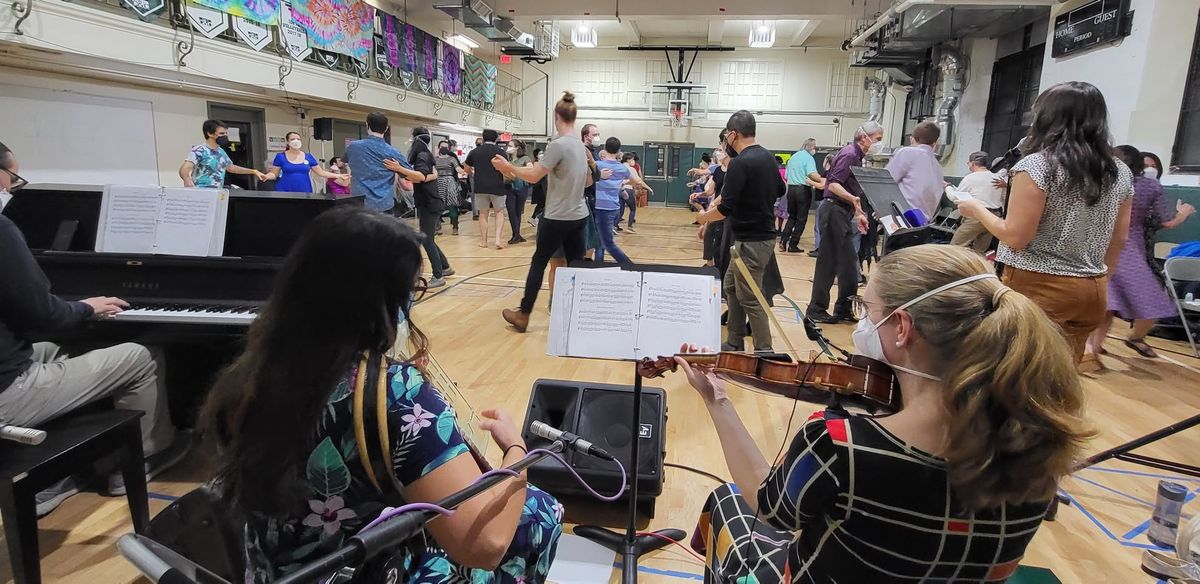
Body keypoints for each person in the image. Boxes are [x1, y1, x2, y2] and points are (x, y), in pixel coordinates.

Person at [678, 244, 1091, 583]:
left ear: (902, 327)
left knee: (726, 504)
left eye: (867, 309)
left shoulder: (838, 442)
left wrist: (718, 402)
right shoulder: (1043, 442)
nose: (863, 321)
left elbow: (770, 509)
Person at [201, 206, 562, 583]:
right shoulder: (392, 392)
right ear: (382, 300)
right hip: (361, 571)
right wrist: (516, 453)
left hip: (277, 571)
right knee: (539, 512)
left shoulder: (249, 373)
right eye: (412, 290)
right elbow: (484, 545)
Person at [0, 141, 190, 516]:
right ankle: (139, 461)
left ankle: (61, 469)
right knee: (140, 356)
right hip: (9, 388)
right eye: (12, 179)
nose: (10, 189)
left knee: (60, 350)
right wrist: (85, 306)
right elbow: (44, 315)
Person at [957, 81, 1133, 363]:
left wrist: (977, 208)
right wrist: (1100, 277)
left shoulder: (1037, 165)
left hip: (1039, 286)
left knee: (1017, 373)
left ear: (1047, 117)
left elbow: (1015, 236)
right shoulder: (1119, 170)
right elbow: (1119, 238)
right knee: (1060, 379)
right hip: (1093, 288)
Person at [494, 92, 591, 333]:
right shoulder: (581, 146)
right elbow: (588, 181)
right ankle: (575, 316)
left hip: (557, 216)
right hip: (579, 215)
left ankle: (524, 314)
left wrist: (508, 167)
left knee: (539, 262)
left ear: (556, 117)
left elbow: (536, 175)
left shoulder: (557, 145)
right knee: (576, 265)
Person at [1087, 145, 1196, 359]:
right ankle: (1121, 341)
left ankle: (1094, 348)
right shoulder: (1149, 187)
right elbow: (1168, 221)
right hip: (1130, 246)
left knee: (1109, 302)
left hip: (1103, 244)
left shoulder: (1101, 183)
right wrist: (1183, 213)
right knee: (1150, 299)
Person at [698, 111, 784, 352]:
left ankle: (764, 352)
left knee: (750, 296)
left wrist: (704, 217)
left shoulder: (740, 162)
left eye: (726, 136)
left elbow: (725, 208)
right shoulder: (767, 157)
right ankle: (735, 341)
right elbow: (780, 189)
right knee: (732, 287)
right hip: (754, 238)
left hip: (752, 242)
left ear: (733, 134)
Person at [807, 122, 882, 324]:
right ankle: (817, 309)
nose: (879, 143)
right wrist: (854, 201)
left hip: (842, 211)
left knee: (848, 265)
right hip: (834, 210)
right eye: (878, 139)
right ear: (864, 137)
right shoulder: (850, 153)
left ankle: (843, 308)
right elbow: (834, 185)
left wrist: (859, 213)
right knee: (830, 263)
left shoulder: (858, 156)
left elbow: (851, 190)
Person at [344, 112, 426, 214]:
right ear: (386, 128)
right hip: (383, 205)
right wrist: (399, 169)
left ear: (367, 125)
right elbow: (415, 177)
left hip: (359, 205)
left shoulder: (353, 147)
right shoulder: (393, 152)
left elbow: (346, 162)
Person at [593, 137, 652, 264]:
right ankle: (598, 267)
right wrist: (621, 182)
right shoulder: (622, 168)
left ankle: (629, 266)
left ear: (604, 148)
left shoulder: (597, 165)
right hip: (613, 206)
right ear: (619, 151)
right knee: (599, 241)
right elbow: (637, 181)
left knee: (607, 243)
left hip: (602, 207)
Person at [407, 127, 453, 288]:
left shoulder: (422, 155)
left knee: (426, 240)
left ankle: (438, 275)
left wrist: (399, 169)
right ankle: (445, 267)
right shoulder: (426, 155)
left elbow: (421, 176)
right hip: (429, 201)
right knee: (429, 238)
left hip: (429, 202)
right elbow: (431, 174)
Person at [179, 119, 266, 188]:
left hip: (217, 192)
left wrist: (253, 171)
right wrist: (187, 180)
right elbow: (184, 169)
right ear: (209, 133)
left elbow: (231, 168)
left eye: (225, 133)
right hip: (202, 192)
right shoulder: (199, 150)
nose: (225, 136)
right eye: (221, 133)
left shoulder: (221, 151)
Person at [949, 151, 1007, 253]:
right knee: (980, 250)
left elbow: (955, 198)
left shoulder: (970, 178)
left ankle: (954, 268)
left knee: (956, 247)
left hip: (977, 217)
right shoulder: (998, 178)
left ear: (972, 163)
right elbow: (1003, 198)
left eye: (968, 163)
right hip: (994, 217)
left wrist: (947, 187)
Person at [887, 121, 945, 221]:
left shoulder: (907, 152)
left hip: (903, 217)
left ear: (911, 139)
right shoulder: (938, 166)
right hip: (923, 221)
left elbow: (886, 180)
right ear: (935, 143)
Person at [465, 130, 509, 249]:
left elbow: (466, 167)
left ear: (483, 138)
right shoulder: (500, 152)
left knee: (483, 214)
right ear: (496, 139)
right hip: (497, 186)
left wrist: (472, 174)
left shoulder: (475, 152)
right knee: (499, 212)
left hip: (480, 186)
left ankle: (484, 241)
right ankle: (498, 240)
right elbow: (506, 169)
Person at [779, 138, 825, 253]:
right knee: (801, 219)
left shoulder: (793, 157)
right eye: (815, 147)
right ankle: (793, 244)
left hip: (791, 189)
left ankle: (783, 241)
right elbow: (812, 174)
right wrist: (823, 179)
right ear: (810, 147)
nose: (815, 150)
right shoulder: (808, 158)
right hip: (802, 190)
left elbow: (786, 176)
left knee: (792, 216)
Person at [264, 132, 347, 193]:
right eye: (293, 139)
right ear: (288, 142)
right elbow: (274, 174)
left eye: (298, 139)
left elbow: (321, 173)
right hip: (285, 189)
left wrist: (338, 175)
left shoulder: (308, 156)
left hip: (304, 188)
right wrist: (266, 176)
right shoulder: (280, 156)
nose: (296, 141)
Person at [505, 140, 532, 245]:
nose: (508, 147)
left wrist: (515, 169)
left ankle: (516, 234)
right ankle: (516, 234)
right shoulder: (508, 159)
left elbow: (530, 168)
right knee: (511, 211)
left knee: (518, 211)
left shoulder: (525, 158)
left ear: (517, 148)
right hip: (508, 187)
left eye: (511, 146)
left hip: (521, 187)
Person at [435, 142, 465, 236]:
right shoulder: (434, 159)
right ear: (438, 148)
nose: (444, 148)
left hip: (450, 181)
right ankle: (437, 227)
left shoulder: (452, 159)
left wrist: (465, 171)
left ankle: (455, 227)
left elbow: (458, 168)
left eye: (446, 147)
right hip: (438, 181)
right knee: (438, 205)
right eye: (442, 147)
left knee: (452, 205)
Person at [617, 152, 640, 233]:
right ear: (628, 159)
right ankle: (629, 227)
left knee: (620, 209)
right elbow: (638, 181)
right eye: (632, 159)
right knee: (633, 209)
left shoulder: (618, 166)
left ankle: (614, 226)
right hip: (628, 190)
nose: (633, 161)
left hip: (619, 190)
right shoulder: (631, 169)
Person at [530, 148, 547, 222]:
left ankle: (534, 218)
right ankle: (535, 218)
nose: (542, 155)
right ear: (536, 156)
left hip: (544, 186)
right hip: (539, 187)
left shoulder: (544, 163)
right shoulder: (536, 164)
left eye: (542, 153)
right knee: (542, 203)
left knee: (542, 204)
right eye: (540, 153)